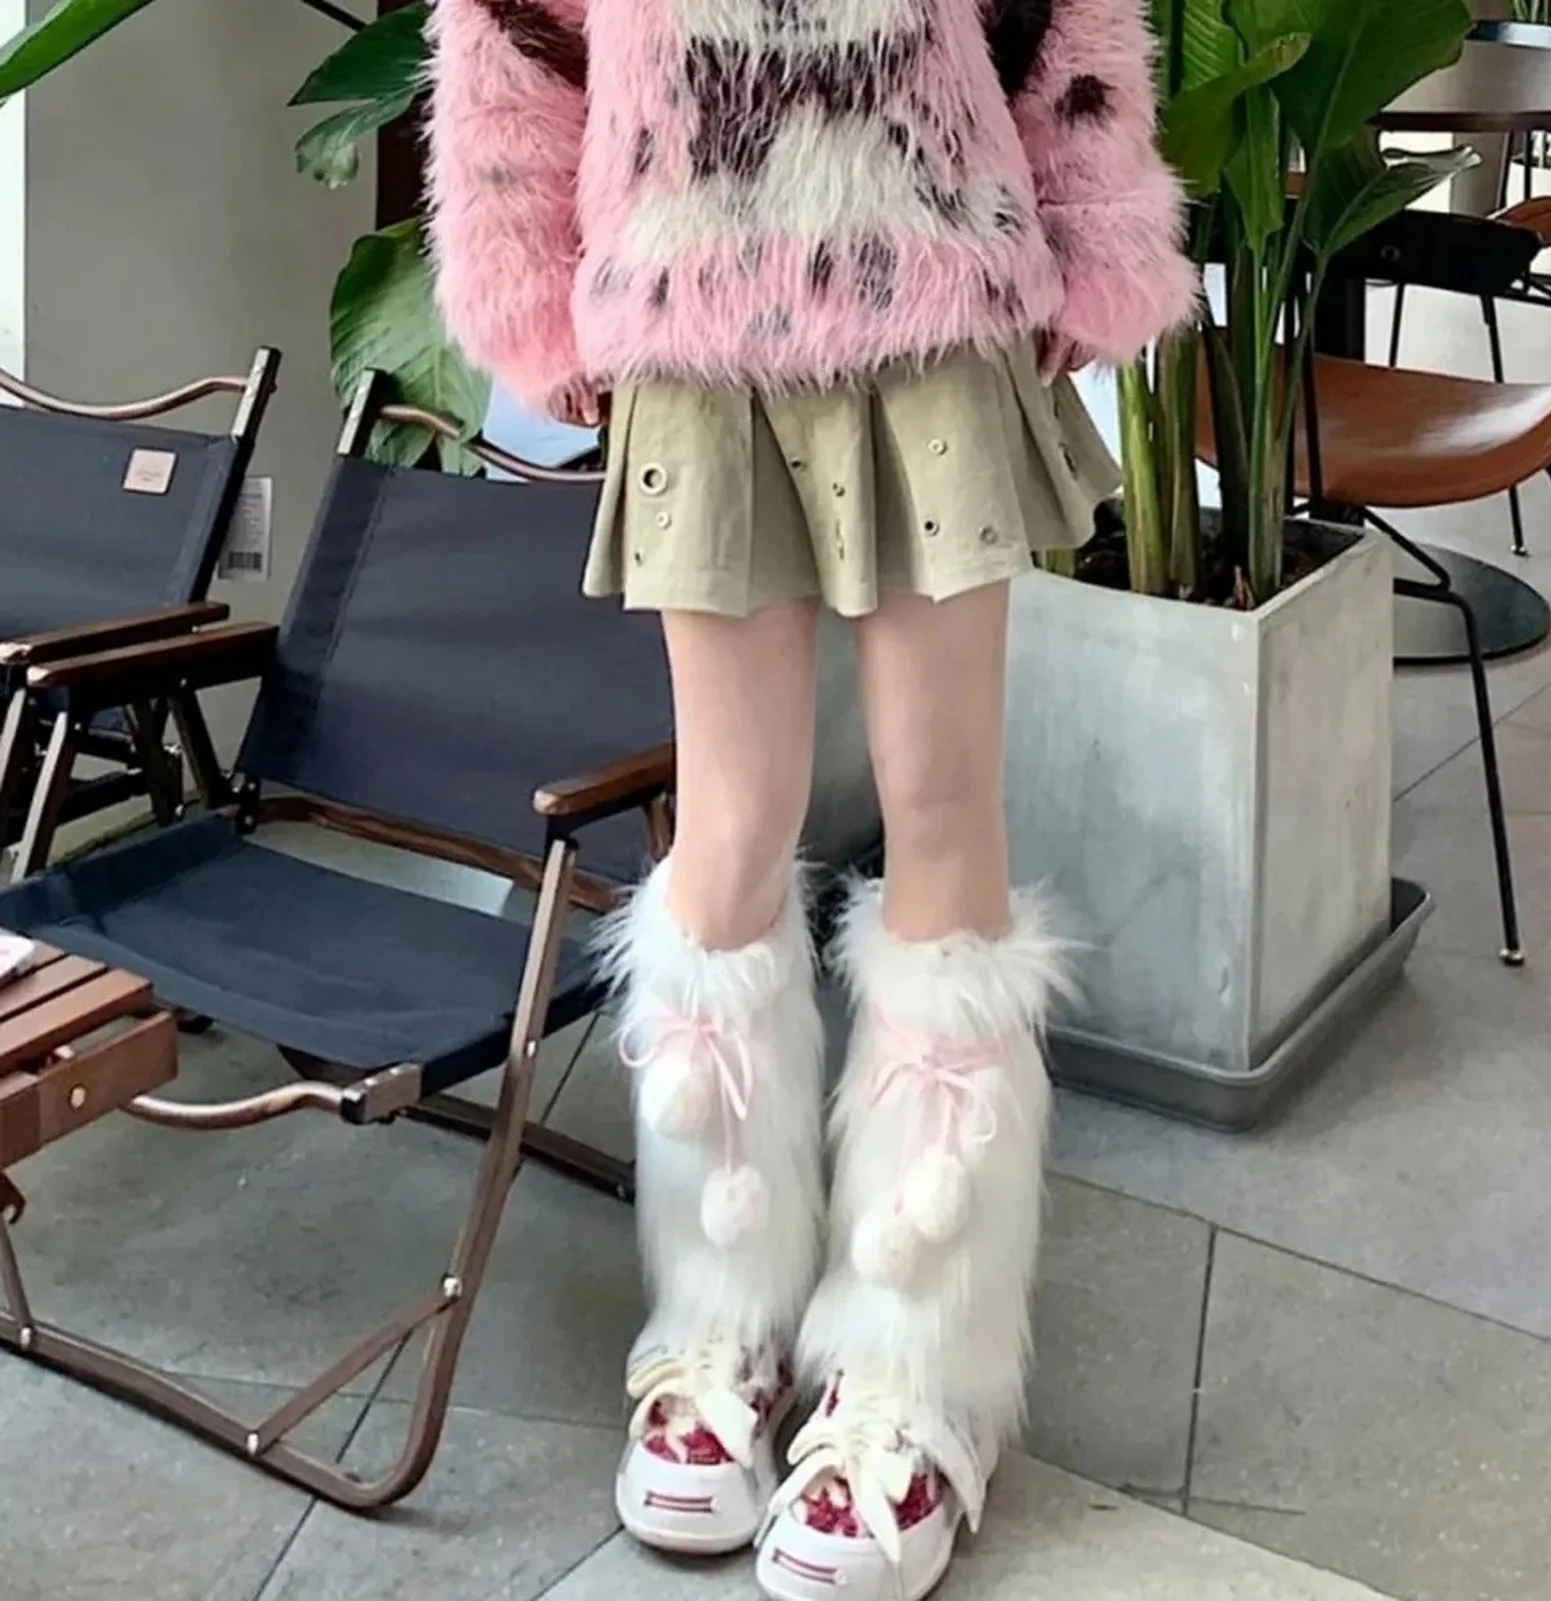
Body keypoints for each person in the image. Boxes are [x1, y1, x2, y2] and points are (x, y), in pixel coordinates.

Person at [426, 1, 1193, 1594]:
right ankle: (720, 1316)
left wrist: (1091, 228)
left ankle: (919, 1367)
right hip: (686, 306)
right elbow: (510, 39)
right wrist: (525, 289)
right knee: (728, 830)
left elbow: (1065, 17)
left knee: (944, 814)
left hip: (934, 284)